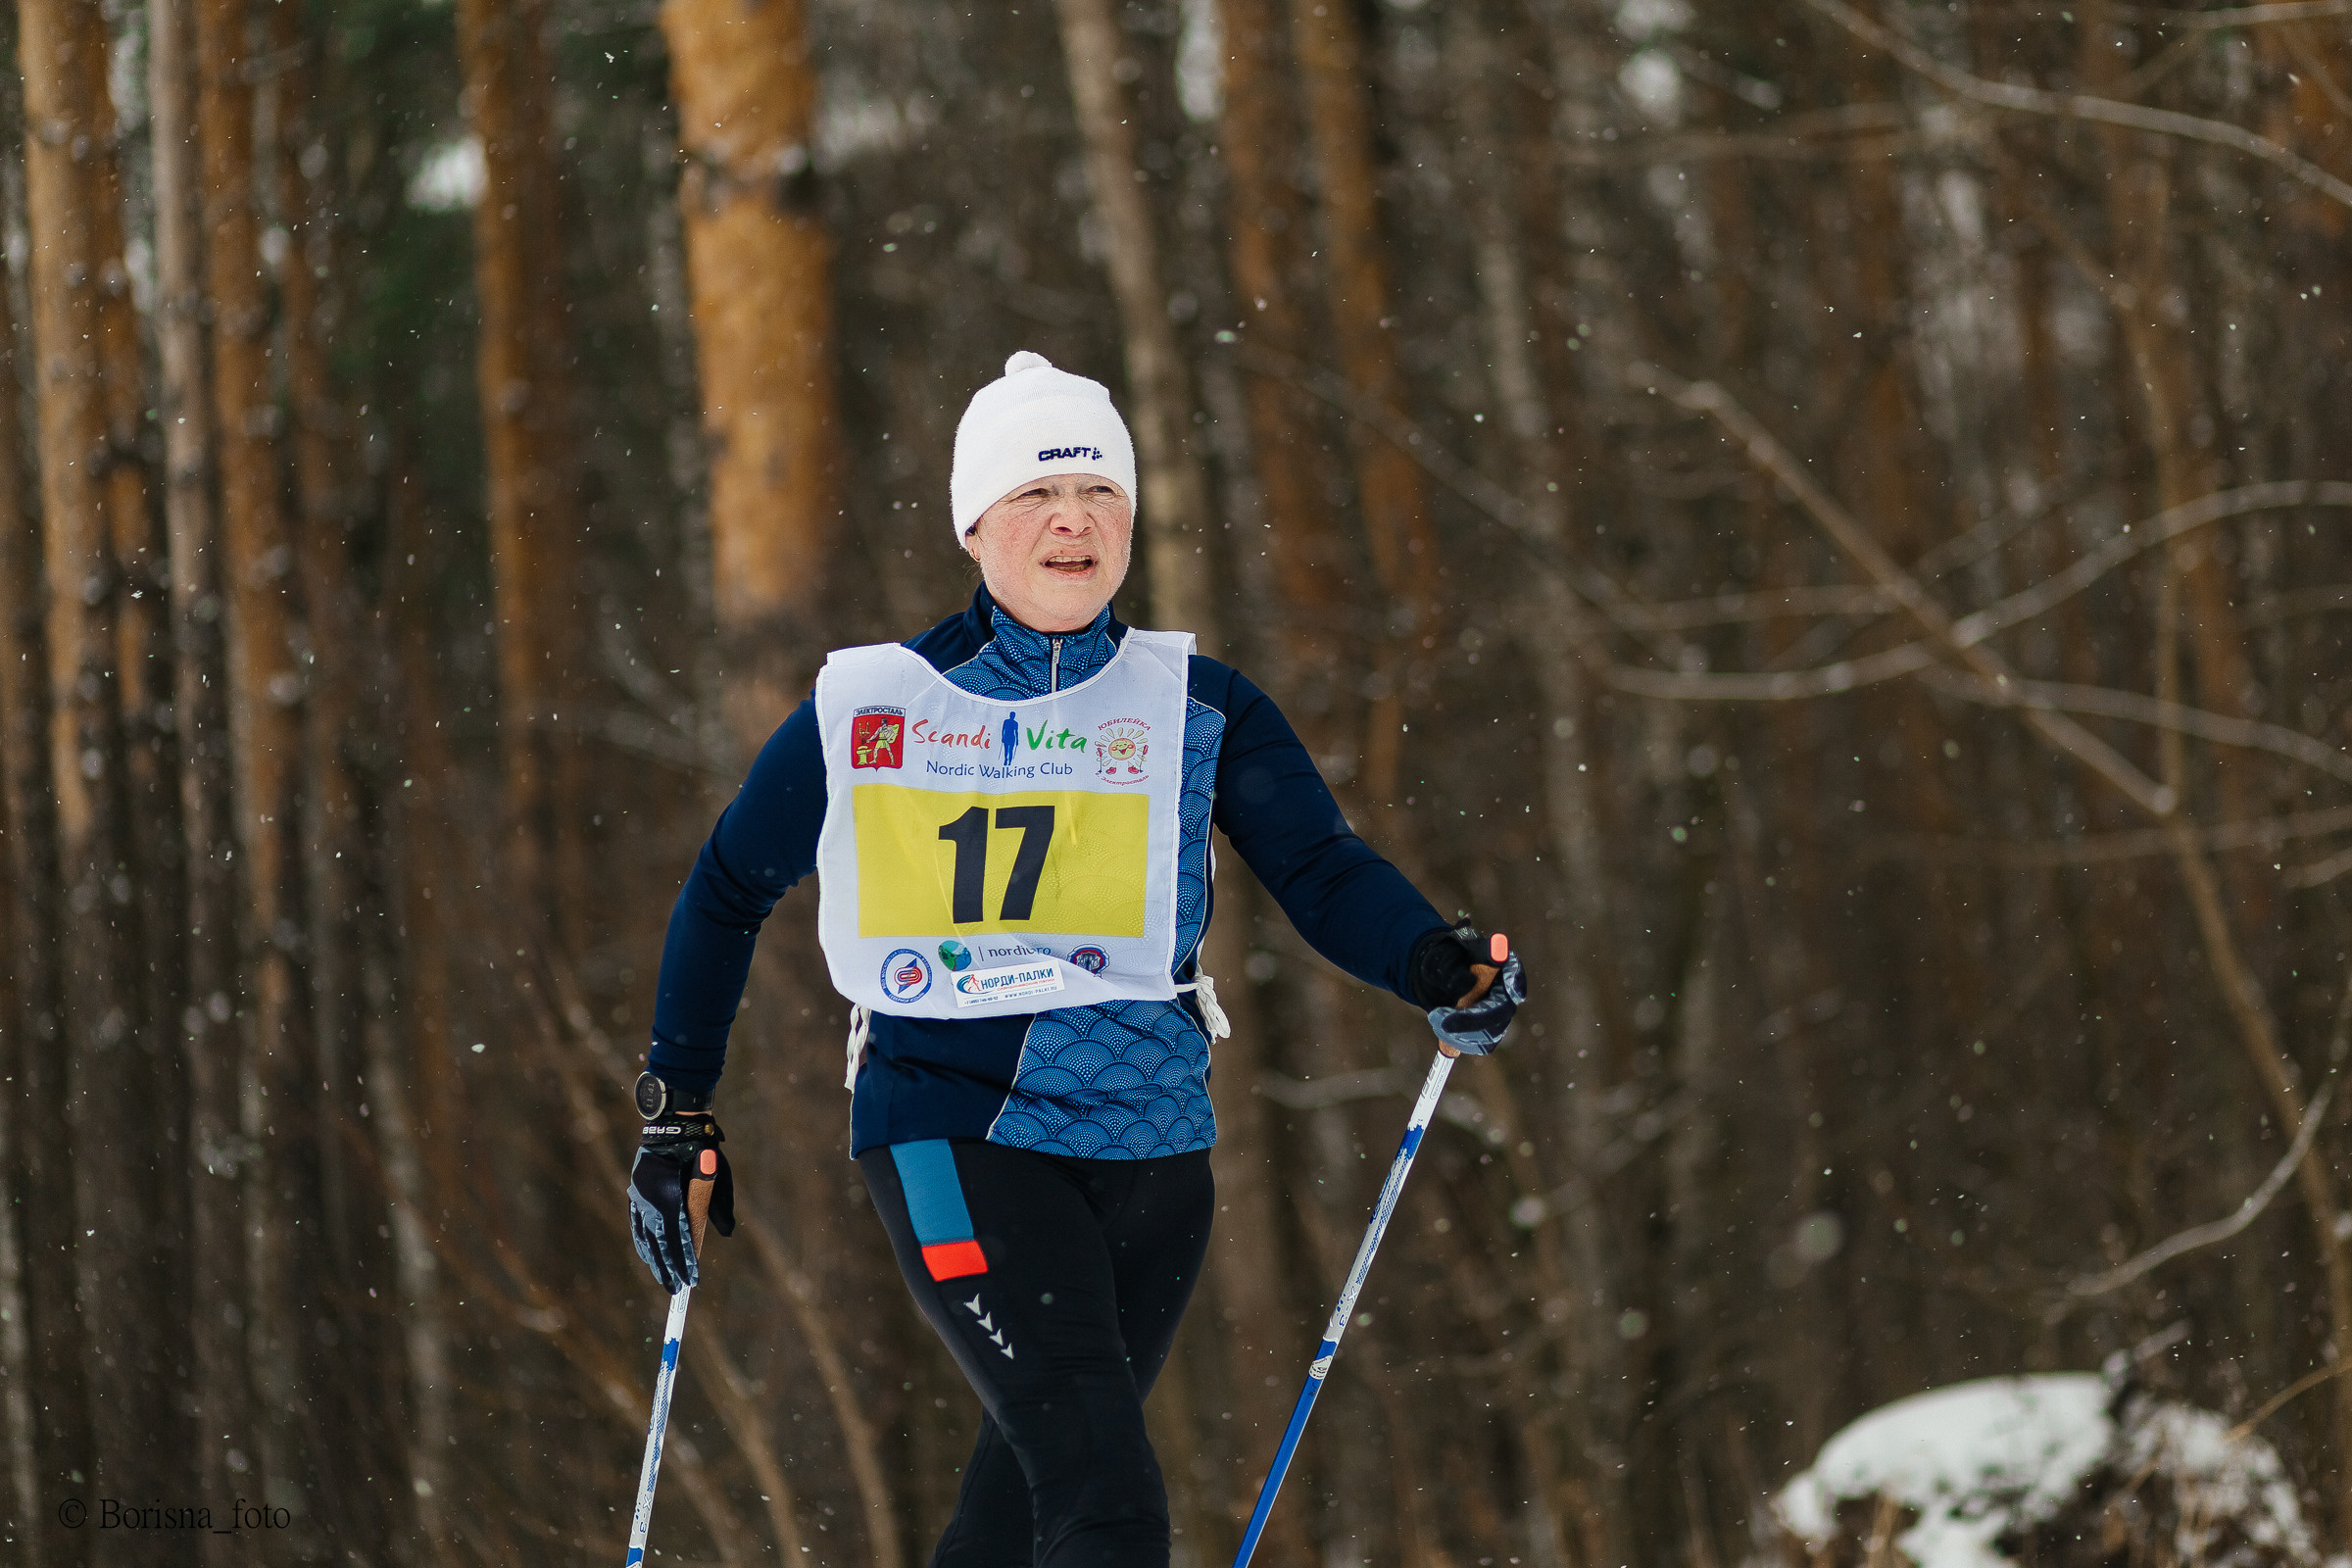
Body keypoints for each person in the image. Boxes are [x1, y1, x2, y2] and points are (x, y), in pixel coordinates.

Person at [627, 351, 1528, 1568]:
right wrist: (677, 1112)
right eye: (1037, 496)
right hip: (953, 1129)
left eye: (1101, 493)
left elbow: (1319, 869)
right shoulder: (877, 706)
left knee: (1016, 1511)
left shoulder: (1195, 705)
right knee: (1106, 1495)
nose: (1073, 520)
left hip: (1155, 1153)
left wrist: (1436, 961)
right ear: (975, 524)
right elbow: (728, 887)